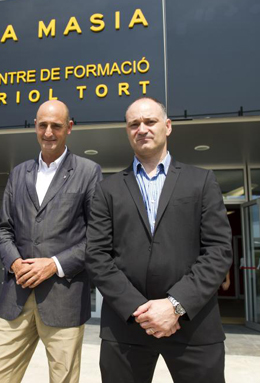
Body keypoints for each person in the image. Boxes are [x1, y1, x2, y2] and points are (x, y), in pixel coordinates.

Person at [86, 97, 233, 383]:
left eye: (150, 121)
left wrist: (175, 305)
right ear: (127, 131)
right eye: (134, 124)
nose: (142, 129)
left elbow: (218, 251)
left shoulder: (201, 181)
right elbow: (97, 256)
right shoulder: (107, 189)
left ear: (167, 126)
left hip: (193, 325)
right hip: (126, 326)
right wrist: (139, 311)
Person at [0, 100, 102, 383]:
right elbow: (2, 230)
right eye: (43, 125)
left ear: (69, 128)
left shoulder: (88, 172)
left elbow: (97, 237)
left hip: (64, 299)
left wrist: (54, 264)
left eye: (56, 126)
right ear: (35, 125)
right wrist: (14, 262)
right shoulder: (18, 173)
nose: (49, 132)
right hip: (16, 296)